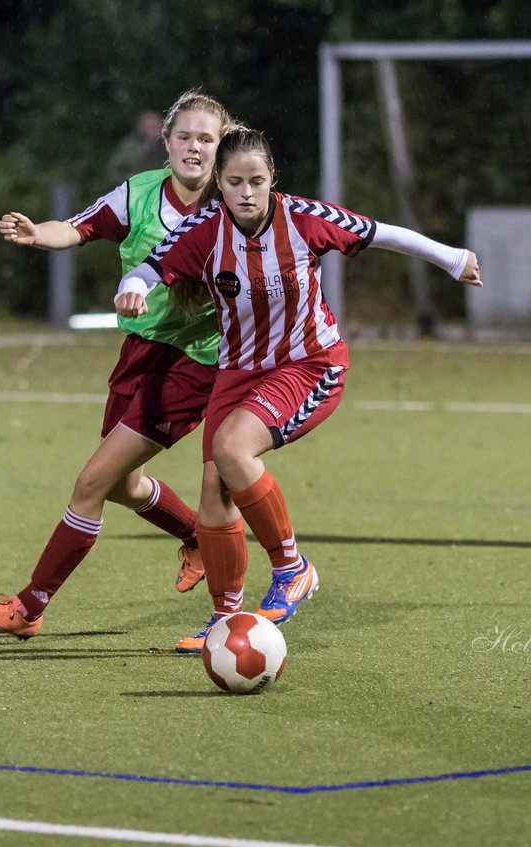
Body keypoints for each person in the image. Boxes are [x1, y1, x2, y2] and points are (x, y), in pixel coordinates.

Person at [116, 128, 482, 652]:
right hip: (237, 370)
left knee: (232, 450)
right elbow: (154, 265)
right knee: (214, 492)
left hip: (308, 364)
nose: (246, 192)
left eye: (257, 181)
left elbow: (382, 233)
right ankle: (225, 622)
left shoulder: (303, 219)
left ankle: (292, 567)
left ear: (273, 181)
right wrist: (132, 287)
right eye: (236, 182)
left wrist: (452, 258)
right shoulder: (205, 229)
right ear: (219, 182)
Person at [0, 90, 241, 639]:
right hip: (139, 353)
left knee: (90, 482)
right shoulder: (138, 194)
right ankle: (197, 538)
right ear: (166, 142)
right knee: (124, 485)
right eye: (184, 136)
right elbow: (79, 226)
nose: (194, 147)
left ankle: (29, 606)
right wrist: (40, 232)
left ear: (221, 146)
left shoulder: (232, 204)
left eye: (206, 139)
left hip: (195, 362)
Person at [105, 110, 165, 184]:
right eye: (149, 127)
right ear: (141, 128)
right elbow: (113, 170)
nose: (153, 131)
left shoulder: (166, 147)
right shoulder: (129, 146)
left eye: (156, 126)